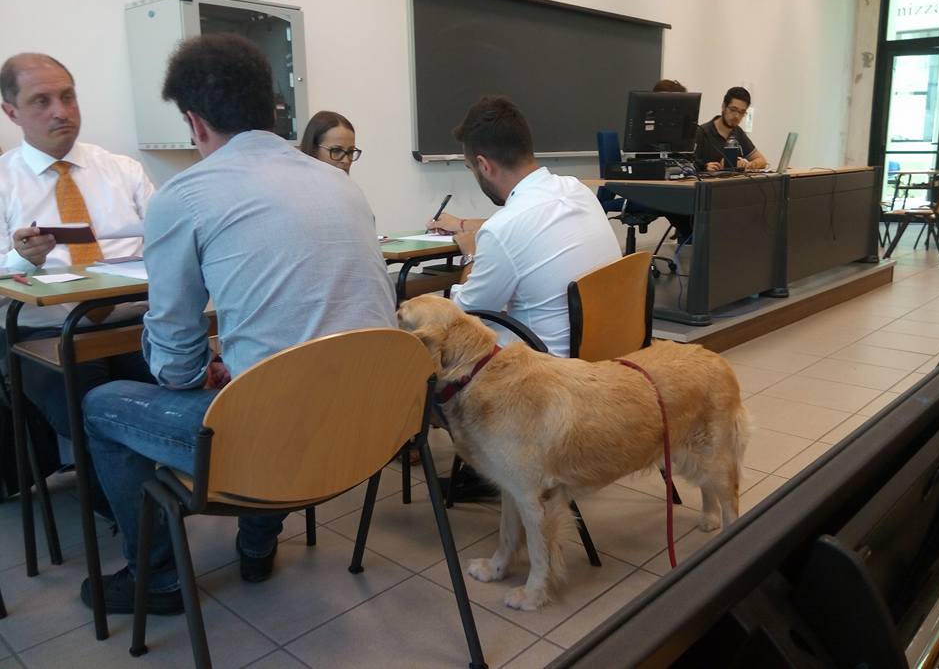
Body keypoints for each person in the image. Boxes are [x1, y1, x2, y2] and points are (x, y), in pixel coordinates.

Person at [81, 34, 396, 615]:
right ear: (272, 109)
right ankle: (255, 547)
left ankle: (158, 578)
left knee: (101, 405)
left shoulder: (184, 197)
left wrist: (206, 368)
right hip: (371, 429)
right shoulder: (340, 184)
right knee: (261, 385)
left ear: (194, 122)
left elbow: (175, 366)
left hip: (275, 443)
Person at [428, 96, 620, 501]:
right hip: (604, 359)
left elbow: (461, 318)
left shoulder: (503, 231)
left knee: (431, 366)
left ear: (484, 165)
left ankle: (496, 466)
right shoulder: (577, 190)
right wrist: (470, 226)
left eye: (470, 169)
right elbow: (525, 222)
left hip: (544, 384)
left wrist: (470, 253)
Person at [0, 53, 155, 504]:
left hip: (135, 320)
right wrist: (18, 258)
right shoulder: (4, 182)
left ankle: (156, 501)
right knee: (90, 410)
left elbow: (170, 239)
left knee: (188, 384)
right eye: (42, 101)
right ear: (11, 112)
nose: (61, 111)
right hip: (46, 332)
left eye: (68, 97)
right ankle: (141, 517)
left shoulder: (123, 170)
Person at [694, 86, 768, 172]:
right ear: (723, 106)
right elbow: (688, 164)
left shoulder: (738, 132)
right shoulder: (701, 132)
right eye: (733, 110)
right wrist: (704, 167)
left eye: (742, 112)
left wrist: (747, 165)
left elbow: (762, 160)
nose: (737, 116)